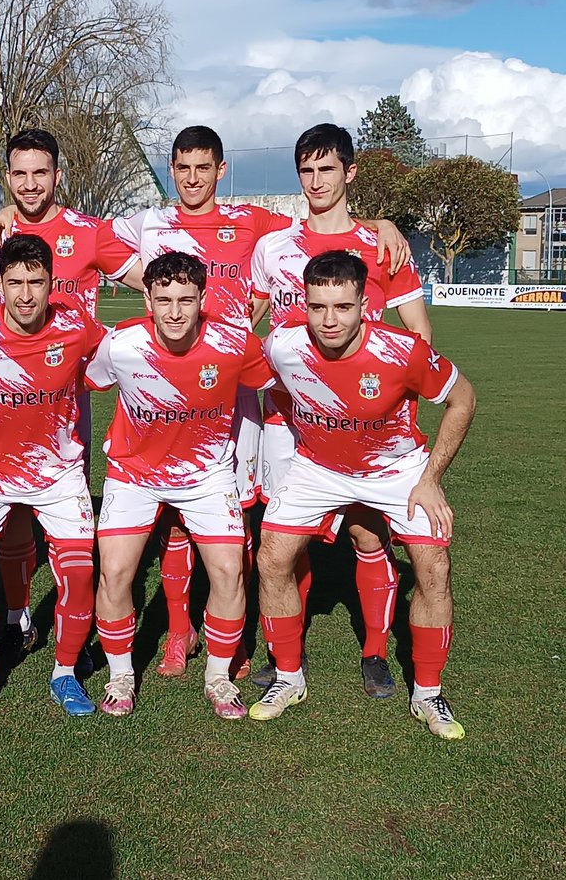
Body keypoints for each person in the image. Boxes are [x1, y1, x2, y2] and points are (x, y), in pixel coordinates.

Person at [111, 124, 413, 678]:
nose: (193, 178)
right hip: (179, 387)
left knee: (255, 516)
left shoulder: (255, 223)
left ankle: (243, 632)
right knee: (179, 518)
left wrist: (380, 222)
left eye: (204, 167)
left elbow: (322, 223)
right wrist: (6, 219)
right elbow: (76, 234)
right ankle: (181, 631)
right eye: (182, 167)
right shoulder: (148, 223)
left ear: (220, 171)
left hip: (248, 387)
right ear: (171, 170)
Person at [252, 251, 475, 740]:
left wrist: (431, 478)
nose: (329, 320)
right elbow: (260, 383)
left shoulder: (403, 351)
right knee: (272, 557)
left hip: (398, 470)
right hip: (318, 468)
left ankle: (429, 692)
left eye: (342, 307)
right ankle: (288, 678)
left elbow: (464, 399)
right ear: (303, 304)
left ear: (364, 306)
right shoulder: (283, 345)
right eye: (317, 307)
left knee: (433, 565)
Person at [248, 123, 433, 695]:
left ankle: (375, 653)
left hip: (364, 423)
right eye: (306, 170)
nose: (316, 181)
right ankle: (286, 661)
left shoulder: (383, 246)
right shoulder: (273, 248)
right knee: (284, 539)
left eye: (327, 169)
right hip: (285, 415)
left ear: (350, 173)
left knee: (367, 536)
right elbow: (245, 325)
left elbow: (419, 337)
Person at [0, 129, 138, 665]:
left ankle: (73, 635)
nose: (30, 184)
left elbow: (151, 281)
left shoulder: (89, 231)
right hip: (6, 404)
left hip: (66, 405)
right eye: (19, 173)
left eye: (41, 173)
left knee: (66, 526)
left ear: (57, 176)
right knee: (12, 519)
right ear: (7, 177)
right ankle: (17, 617)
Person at [86, 252, 274, 719]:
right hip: (135, 474)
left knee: (230, 571)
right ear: (147, 298)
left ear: (202, 299)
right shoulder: (122, 344)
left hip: (207, 475)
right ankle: (121, 675)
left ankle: (217, 677)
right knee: (114, 572)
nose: (174, 311)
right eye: (164, 299)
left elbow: (274, 377)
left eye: (186, 300)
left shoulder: (234, 343)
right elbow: (92, 380)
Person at [0, 235, 104, 720]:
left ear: (52, 283)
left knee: (79, 573)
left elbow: (114, 362)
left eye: (36, 282)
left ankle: (66, 672)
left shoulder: (77, 328)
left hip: (59, 474)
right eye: (15, 283)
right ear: (1, 285)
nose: (26, 294)